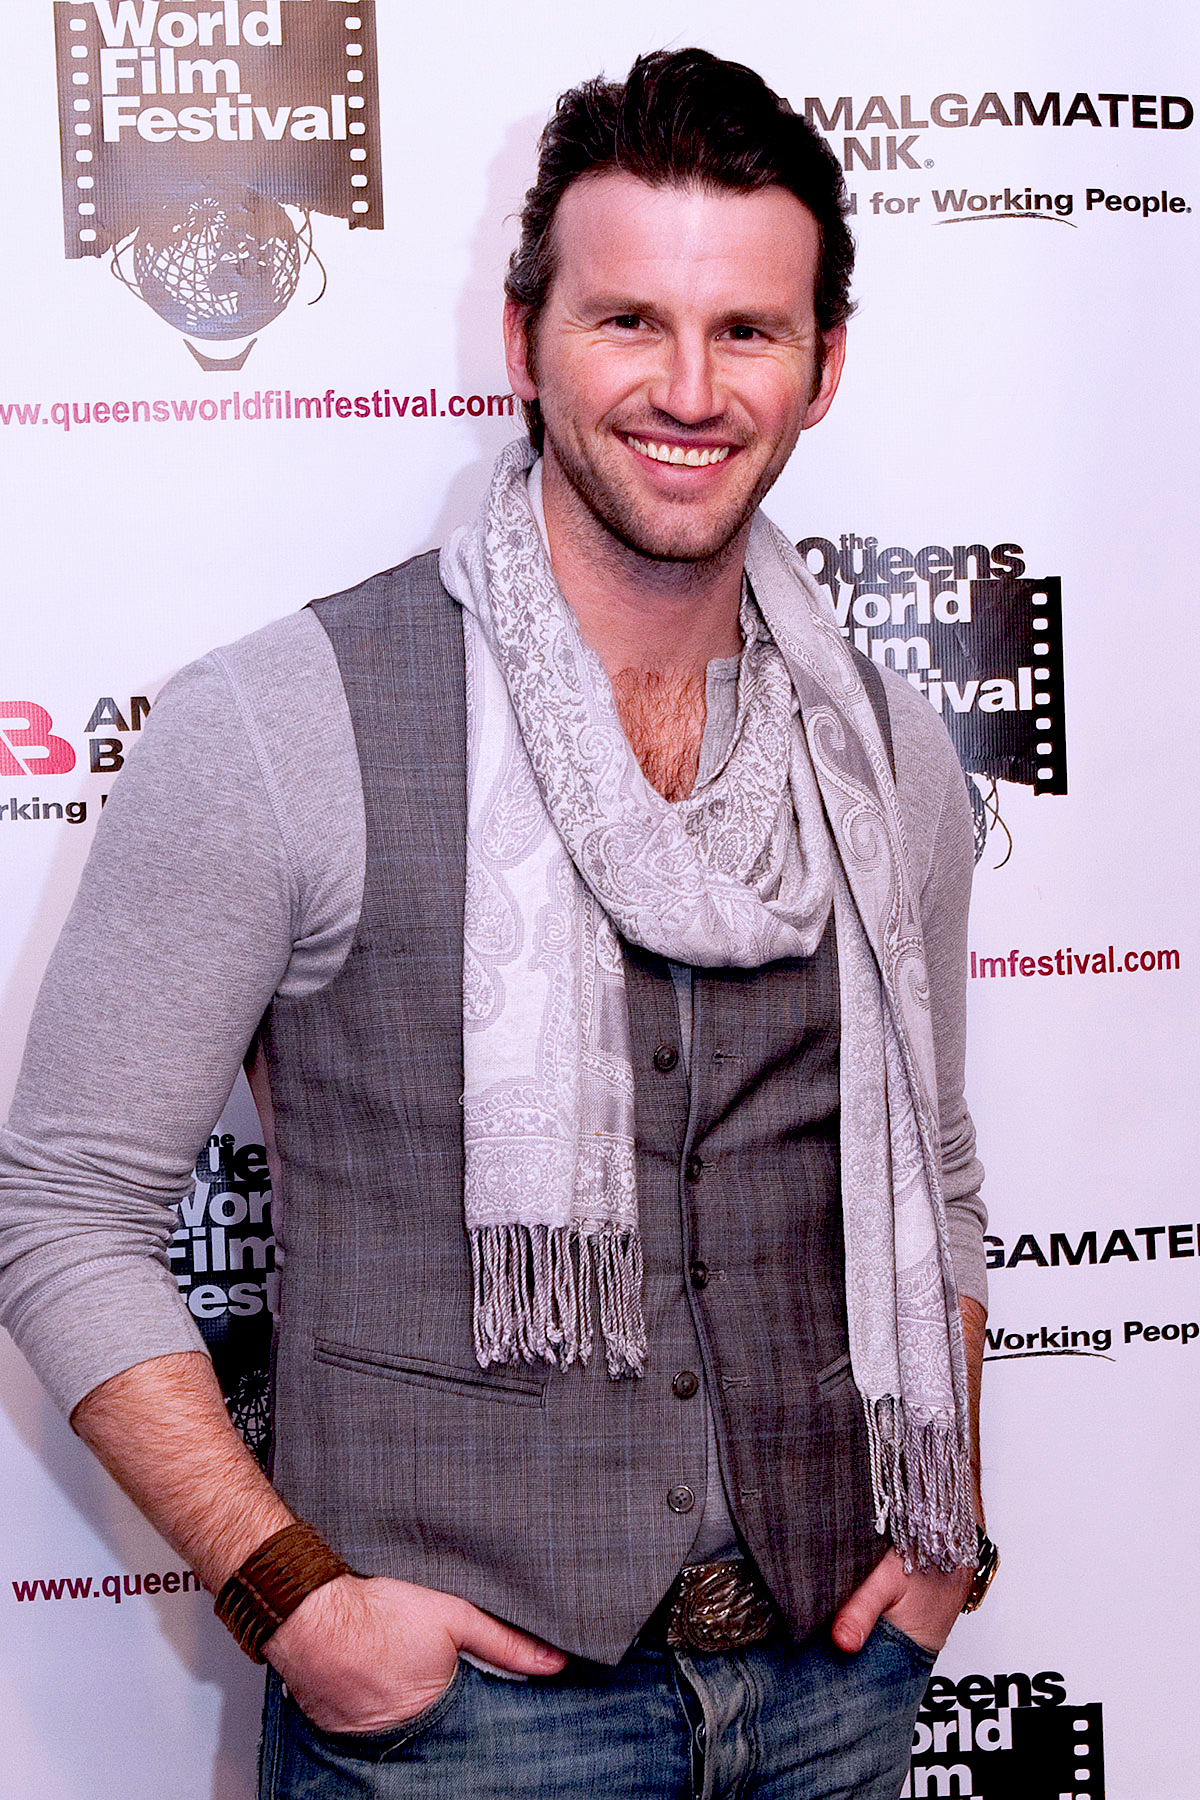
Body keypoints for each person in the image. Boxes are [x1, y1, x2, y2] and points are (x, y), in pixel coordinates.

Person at [0, 48, 995, 1799]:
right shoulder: (284, 718)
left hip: (836, 1689)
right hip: (462, 1732)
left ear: (824, 367)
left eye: (748, 332)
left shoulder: (886, 751)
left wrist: (948, 1535)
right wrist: (296, 1599)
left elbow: (946, 1180)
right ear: (526, 335)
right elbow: (66, 1213)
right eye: (628, 322)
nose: (687, 388)